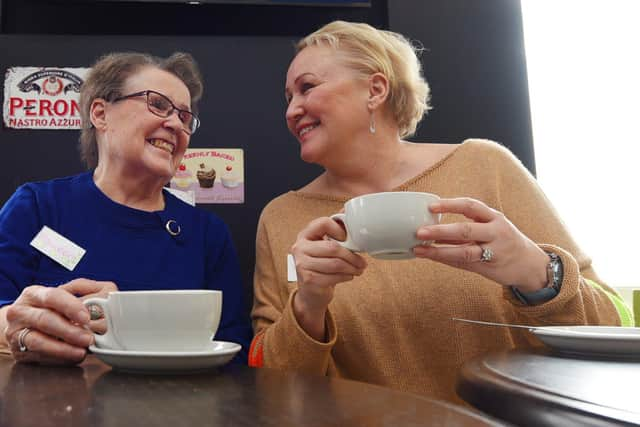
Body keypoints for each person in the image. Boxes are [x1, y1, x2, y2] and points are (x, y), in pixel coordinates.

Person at [249, 21, 632, 403]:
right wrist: (309, 304)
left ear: (375, 89)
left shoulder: (486, 167)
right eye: (288, 97)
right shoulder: (282, 217)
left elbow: (613, 324)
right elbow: (271, 387)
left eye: (307, 87)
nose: (292, 110)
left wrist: (536, 272)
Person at [0, 51, 252, 364]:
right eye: (158, 104)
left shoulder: (207, 235)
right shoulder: (37, 207)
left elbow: (233, 346)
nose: (175, 123)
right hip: (50, 409)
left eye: (185, 117)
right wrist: (26, 327)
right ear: (100, 114)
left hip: (178, 409)